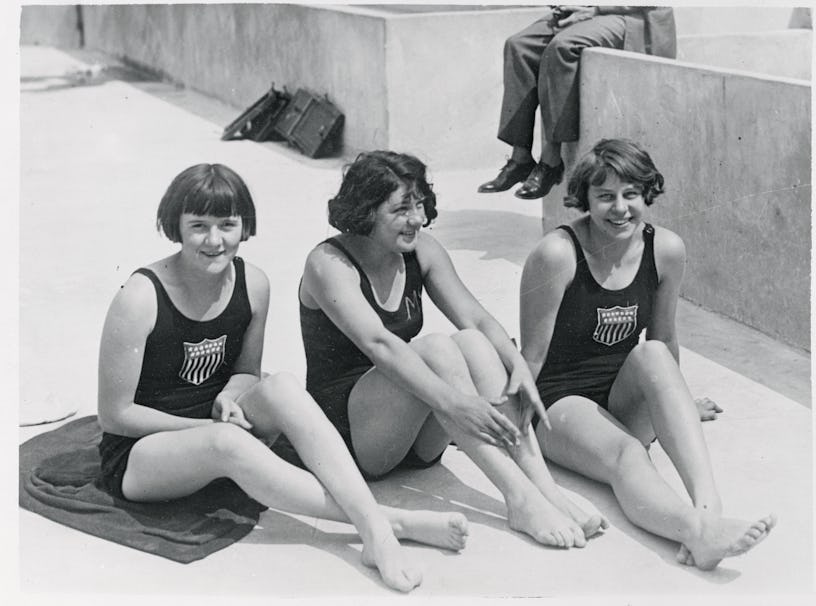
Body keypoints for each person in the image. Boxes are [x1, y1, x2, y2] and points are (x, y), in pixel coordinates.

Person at [96, 163, 470, 593]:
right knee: (227, 442)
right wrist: (206, 426)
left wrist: (230, 397)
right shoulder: (140, 296)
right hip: (142, 455)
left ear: (245, 227)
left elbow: (244, 373)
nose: (214, 240)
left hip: (217, 424)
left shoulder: (253, 283)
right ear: (174, 227)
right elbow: (116, 415)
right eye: (198, 226)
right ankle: (384, 526)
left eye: (227, 225)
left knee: (283, 385)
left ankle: (374, 524)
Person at [299, 150, 608, 549]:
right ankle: (518, 498)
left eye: (420, 203)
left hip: (416, 429)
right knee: (435, 349)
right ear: (366, 210)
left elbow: (476, 319)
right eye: (401, 208)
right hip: (354, 439)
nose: (418, 218)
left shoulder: (420, 250)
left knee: (474, 343)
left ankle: (545, 490)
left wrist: (519, 366)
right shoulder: (327, 263)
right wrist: (456, 404)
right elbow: (380, 345)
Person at [518, 139, 776, 570]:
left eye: (630, 194)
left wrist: (678, 407)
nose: (620, 208)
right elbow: (530, 358)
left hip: (620, 395)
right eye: (605, 196)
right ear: (584, 200)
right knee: (628, 454)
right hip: (560, 403)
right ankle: (696, 534)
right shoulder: (557, 253)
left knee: (653, 352)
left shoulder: (666, 249)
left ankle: (708, 510)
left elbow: (664, 338)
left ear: (646, 194)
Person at [478, 6, 677, 199]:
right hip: (589, 10)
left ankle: (551, 161)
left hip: (634, 16)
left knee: (562, 47)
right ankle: (520, 158)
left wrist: (596, 9)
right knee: (518, 45)